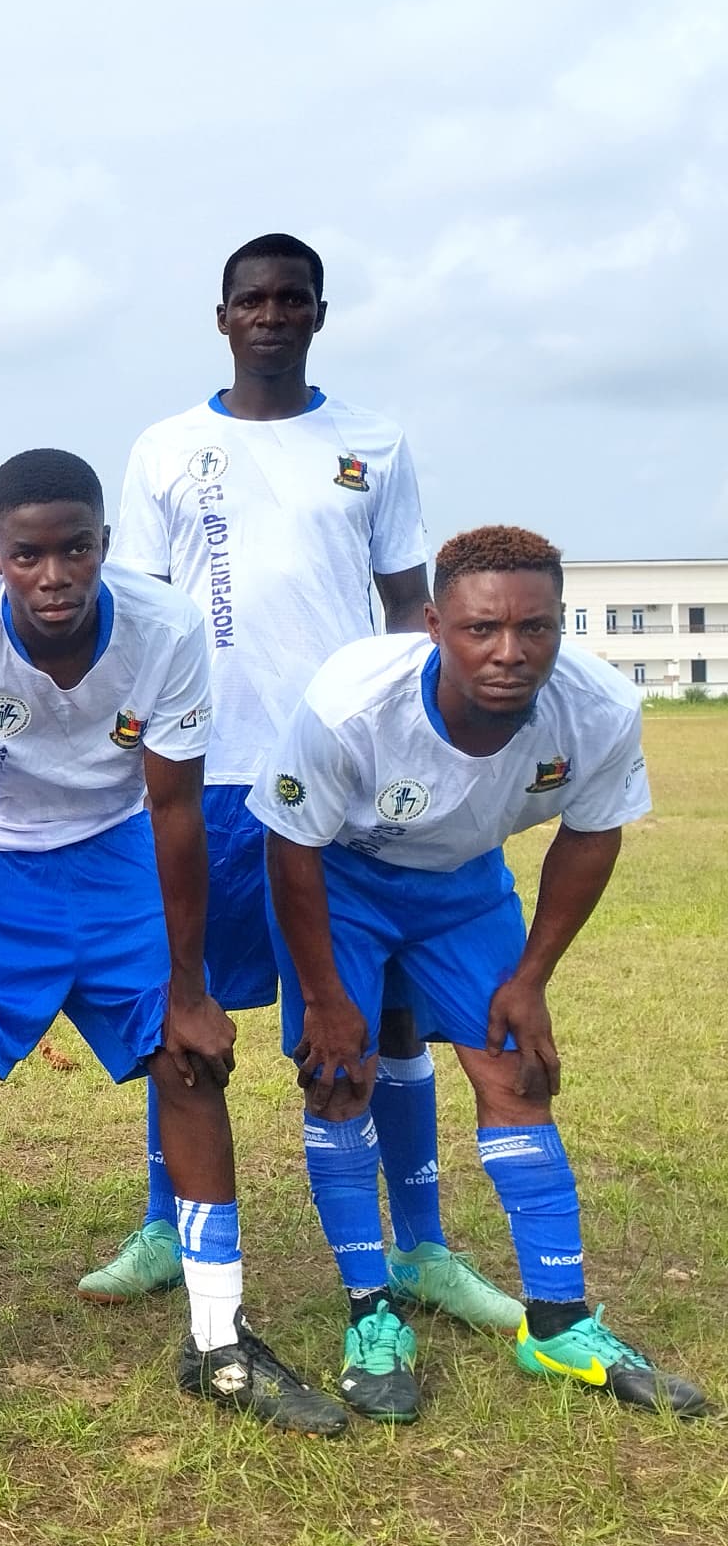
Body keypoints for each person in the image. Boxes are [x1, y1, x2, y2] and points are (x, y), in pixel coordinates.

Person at [90, 232, 521, 1342]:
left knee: (387, 1015)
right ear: (222, 316)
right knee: (183, 1001)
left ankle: (420, 1246)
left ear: (319, 313)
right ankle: (161, 1222)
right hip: (211, 778)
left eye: (293, 299)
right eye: (253, 300)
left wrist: (406, 748)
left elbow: (407, 614)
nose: (272, 314)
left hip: (344, 779)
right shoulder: (165, 450)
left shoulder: (372, 444)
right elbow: (136, 617)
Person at [0, 449, 348, 1441]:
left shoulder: (167, 627)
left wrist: (190, 985)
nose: (53, 576)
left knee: (190, 1062)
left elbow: (174, 806)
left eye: (75, 550)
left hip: (112, 854)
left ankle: (220, 1339)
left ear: (105, 545)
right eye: (27, 556)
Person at [254, 524, 706, 1422]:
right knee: (340, 1075)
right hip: (339, 879)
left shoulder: (600, 709)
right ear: (434, 625)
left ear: (560, 625)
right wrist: (325, 996)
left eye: (534, 628)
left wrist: (532, 975)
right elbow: (291, 846)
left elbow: (592, 832)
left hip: (462, 889)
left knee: (516, 1068)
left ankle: (559, 1323)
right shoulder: (351, 702)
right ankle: (372, 1313)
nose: (510, 652)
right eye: (481, 630)